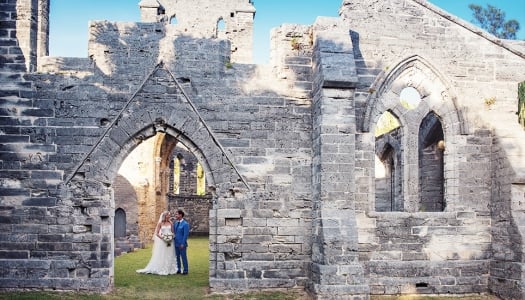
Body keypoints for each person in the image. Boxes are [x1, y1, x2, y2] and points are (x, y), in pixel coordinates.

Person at [136, 211, 178, 275]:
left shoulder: (171, 223)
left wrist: (171, 237)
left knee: (169, 254)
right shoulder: (160, 223)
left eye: (169, 215)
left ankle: (170, 268)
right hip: (163, 241)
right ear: (165, 216)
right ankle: (161, 267)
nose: (169, 216)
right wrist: (163, 238)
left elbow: (172, 232)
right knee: (162, 254)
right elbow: (157, 233)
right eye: (168, 215)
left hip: (170, 242)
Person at [173, 209, 190, 275]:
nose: (176, 215)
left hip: (182, 244)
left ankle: (185, 270)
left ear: (180, 215)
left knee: (183, 257)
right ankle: (178, 269)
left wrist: (183, 243)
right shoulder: (176, 223)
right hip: (176, 243)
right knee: (177, 257)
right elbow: (174, 233)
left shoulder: (185, 224)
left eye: (177, 214)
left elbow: (185, 235)